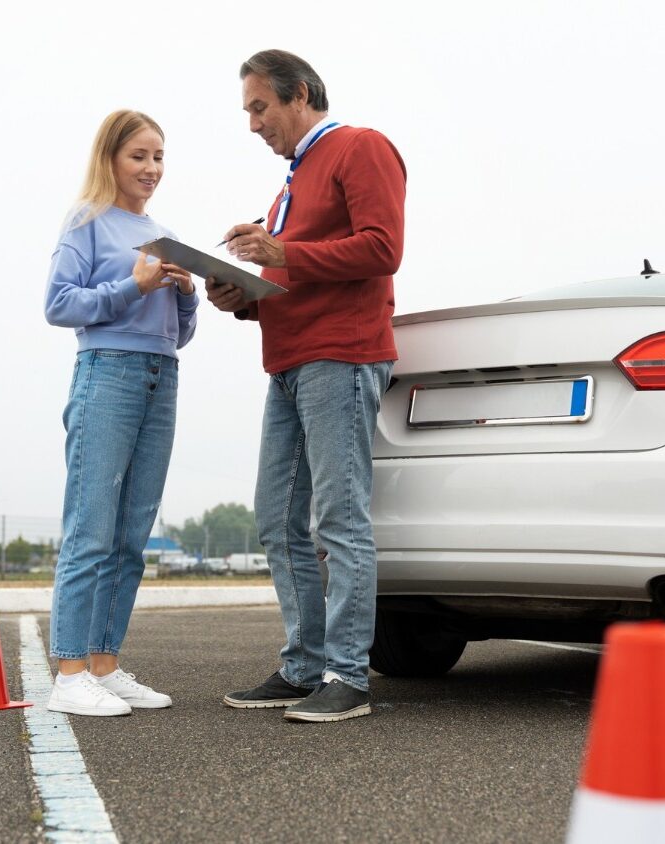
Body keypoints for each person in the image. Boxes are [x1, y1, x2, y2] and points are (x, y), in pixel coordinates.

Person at [210, 50, 406, 723]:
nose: (254, 124)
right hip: (290, 362)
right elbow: (294, 278)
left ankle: (347, 675)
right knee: (276, 517)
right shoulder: (288, 186)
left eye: (260, 107)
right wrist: (240, 296)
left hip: (341, 358)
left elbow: (382, 248)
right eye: (249, 112)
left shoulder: (360, 147)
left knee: (339, 518)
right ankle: (304, 666)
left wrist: (280, 251)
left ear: (300, 96)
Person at [42, 109, 198, 716]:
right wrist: (133, 285)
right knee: (92, 528)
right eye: (139, 156)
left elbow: (177, 336)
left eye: (159, 157)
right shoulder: (86, 222)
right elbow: (59, 305)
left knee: (132, 534)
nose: (152, 168)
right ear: (110, 158)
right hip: (107, 374)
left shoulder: (163, 232)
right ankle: (70, 671)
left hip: (163, 376)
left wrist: (186, 295)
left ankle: (104, 664)